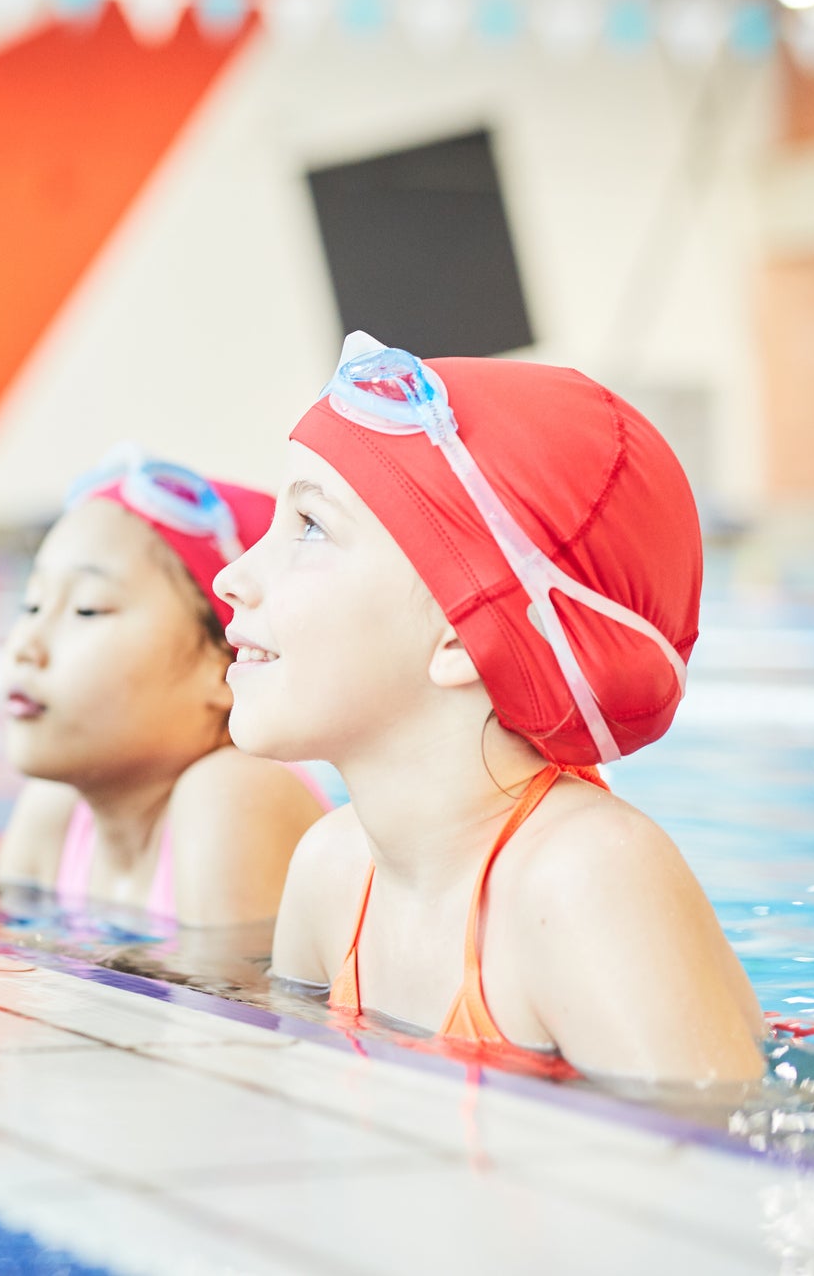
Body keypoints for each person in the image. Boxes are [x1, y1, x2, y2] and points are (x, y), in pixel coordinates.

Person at [217, 333, 765, 1084]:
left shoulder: (585, 880)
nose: (230, 576)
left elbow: (713, 1175)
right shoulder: (331, 870)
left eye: (309, 526)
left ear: (461, 634)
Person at [0, 448, 327, 924]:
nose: (26, 644)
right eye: (31, 605)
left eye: (88, 608)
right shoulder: (56, 812)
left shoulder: (233, 795)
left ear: (225, 669)